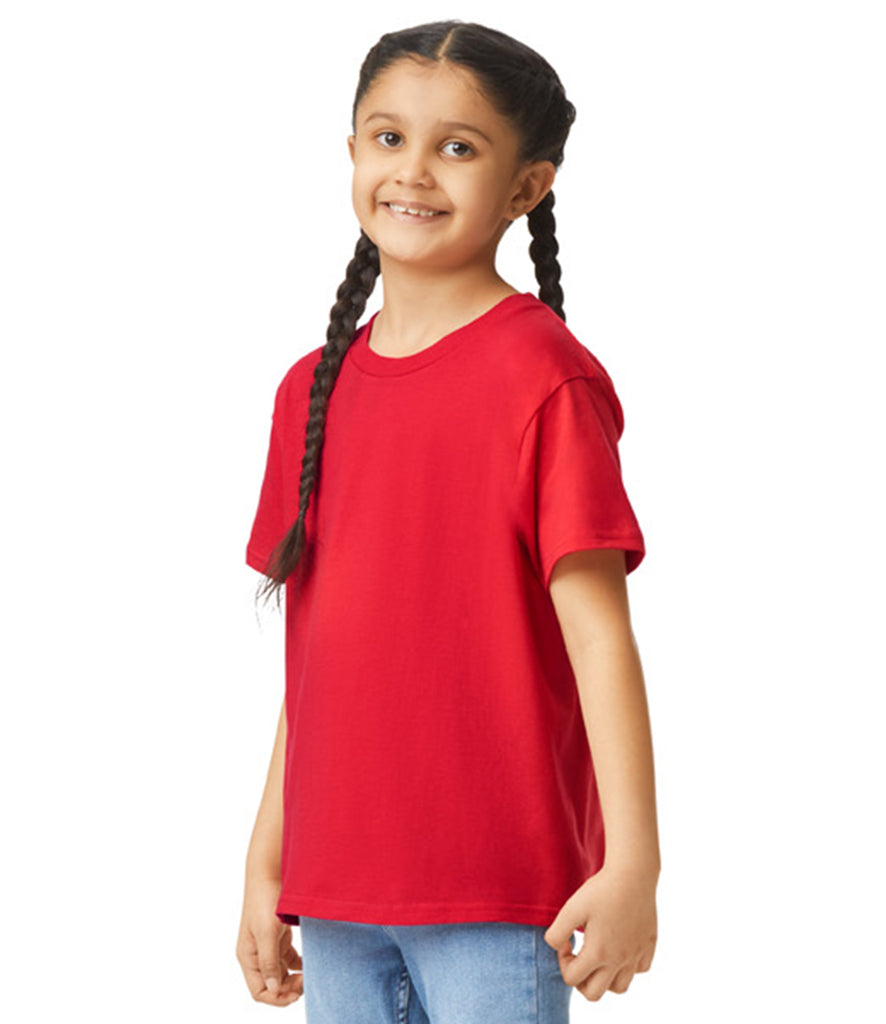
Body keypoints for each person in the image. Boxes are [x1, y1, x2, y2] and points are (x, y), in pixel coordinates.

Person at [235, 19, 660, 1023]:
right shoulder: (310, 391)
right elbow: (320, 660)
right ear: (351, 151)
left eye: (457, 147)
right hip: (337, 895)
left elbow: (599, 637)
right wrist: (266, 864)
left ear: (526, 187)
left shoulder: (543, 378)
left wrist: (634, 865)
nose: (413, 171)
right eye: (389, 138)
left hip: (497, 891)